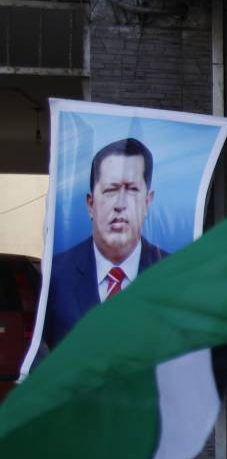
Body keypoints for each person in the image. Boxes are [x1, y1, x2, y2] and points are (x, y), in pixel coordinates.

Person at [44, 138, 167, 349]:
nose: (120, 205)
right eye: (110, 190)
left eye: (131, 189)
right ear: (90, 204)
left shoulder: (173, 274)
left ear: (147, 201)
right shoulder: (56, 274)